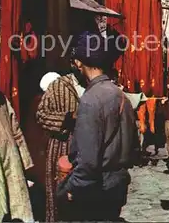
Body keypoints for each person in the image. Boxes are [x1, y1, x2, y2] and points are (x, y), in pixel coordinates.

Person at [57, 32, 136, 221]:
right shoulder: (120, 95)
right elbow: (134, 148)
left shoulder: (91, 100)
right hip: (117, 184)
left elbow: (88, 160)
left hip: (95, 189)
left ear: (79, 63)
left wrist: (73, 188)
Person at [0, 57, 34, 222]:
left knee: (16, 208)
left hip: (10, 163)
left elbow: (16, 131)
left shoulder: (0, 100)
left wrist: (25, 163)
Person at [36, 62, 84, 222]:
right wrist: (67, 119)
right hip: (62, 147)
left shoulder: (100, 87)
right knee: (60, 197)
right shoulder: (58, 86)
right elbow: (42, 115)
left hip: (90, 148)